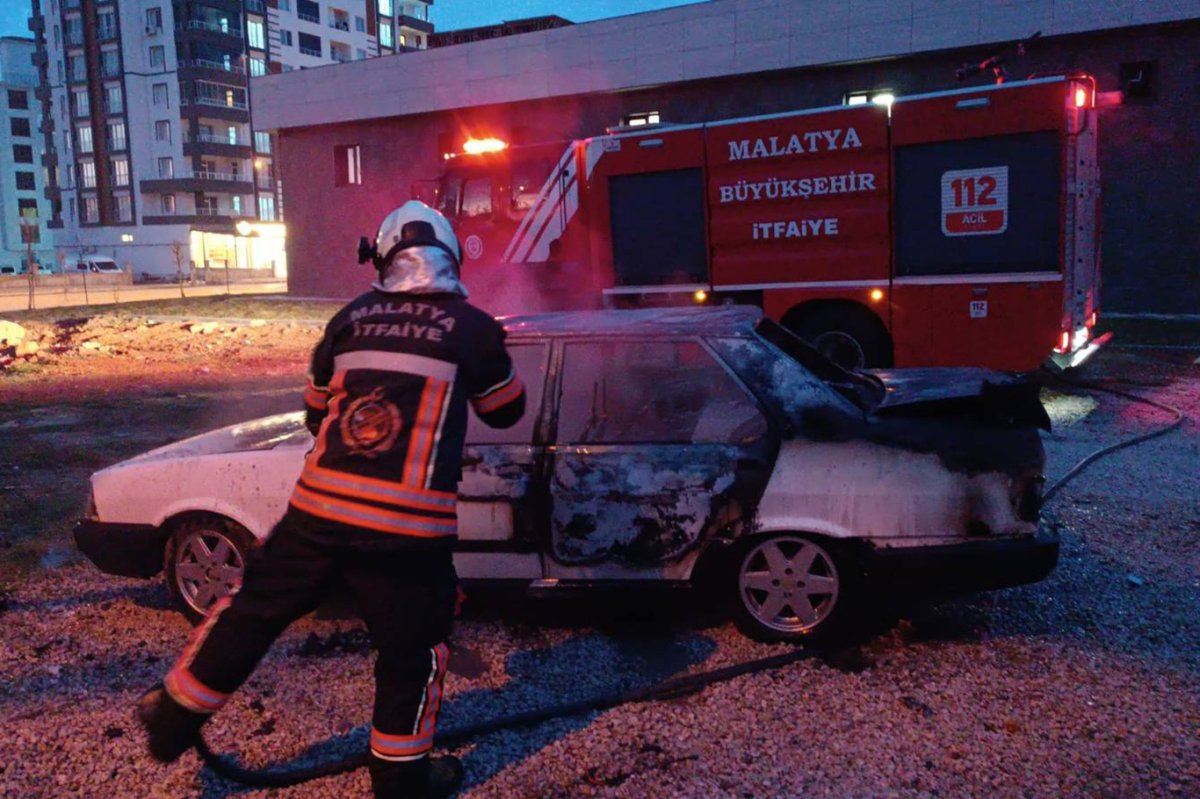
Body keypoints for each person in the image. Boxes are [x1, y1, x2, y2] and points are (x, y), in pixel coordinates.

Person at [136, 201, 525, 799]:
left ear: (385, 256)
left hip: (317, 514)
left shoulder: (350, 318)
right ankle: (400, 779)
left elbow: (316, 414)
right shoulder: (472, 327)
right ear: (449, 255)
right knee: (411, 651)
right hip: (406, 533)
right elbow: (506, 410)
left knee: (253, 609)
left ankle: (173, 714)